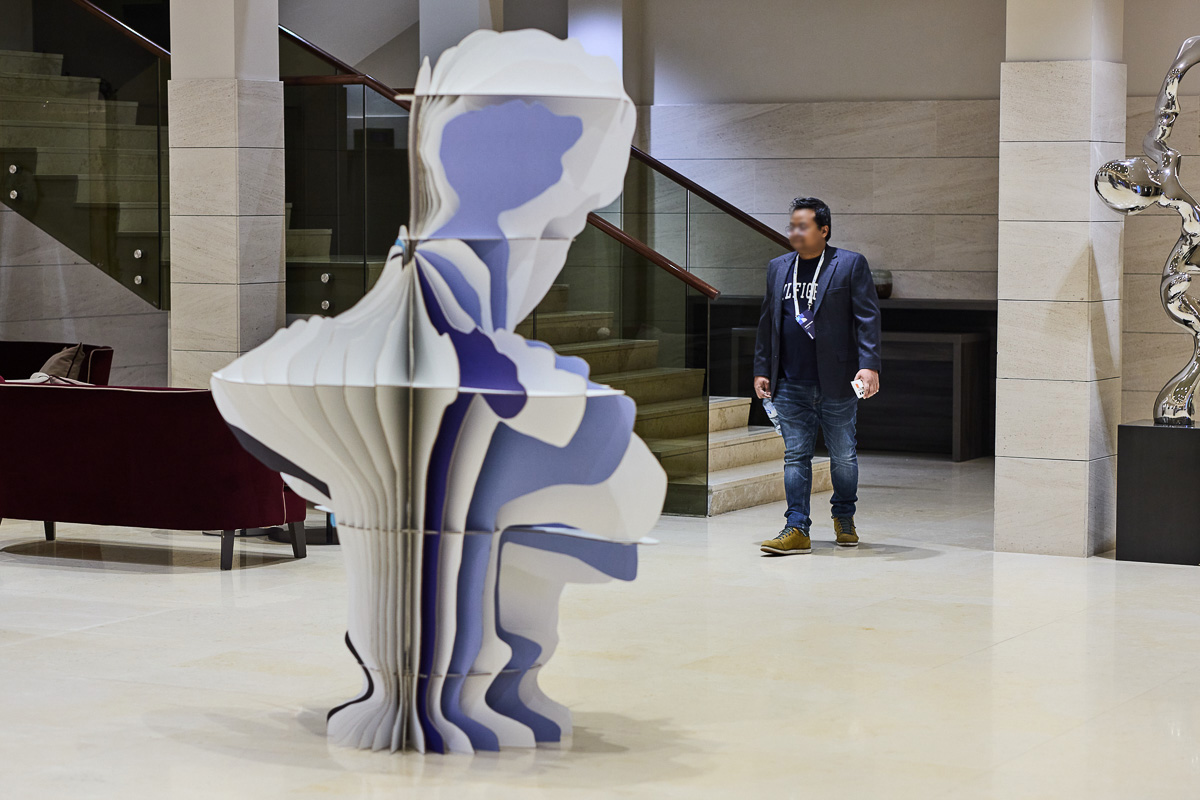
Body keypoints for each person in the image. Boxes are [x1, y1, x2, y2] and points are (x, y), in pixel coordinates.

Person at [753, 197, 881, 555]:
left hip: (837, 381)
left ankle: (844, 517)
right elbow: (767, 322)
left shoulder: (849, 264)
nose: (794, 232)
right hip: (789, 380)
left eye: (802, 226)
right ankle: (796, 527)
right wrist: (762, 369)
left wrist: (869, 364)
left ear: (823, 230)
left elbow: (867, 318)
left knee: (843, 455)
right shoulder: (778, 267)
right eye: (792, 225)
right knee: (796, 455)